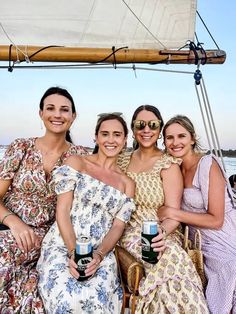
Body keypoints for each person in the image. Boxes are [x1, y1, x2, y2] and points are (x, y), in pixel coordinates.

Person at [37, 113, 136, 313]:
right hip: (63, 243)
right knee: (65, 297)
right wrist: (74, 252)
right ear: (96, 137)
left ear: (125, 139)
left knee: (96, 300)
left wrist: (99, 255)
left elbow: (118, 226)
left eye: (117, 134)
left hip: (101, 250)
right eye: (105, 134)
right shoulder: (77, 163)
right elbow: (62, 211)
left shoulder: (127, 184)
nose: (110, 140)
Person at [0, 86, 87, 313]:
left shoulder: (81, 156)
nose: (57, 114)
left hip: (51, 235)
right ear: (41, 113)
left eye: (64, 110)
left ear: (73, 116)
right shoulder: (21, 147)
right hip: (10, 226)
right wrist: (14, 222)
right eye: (50, 108)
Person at [117, 105, 208, 313]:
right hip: (130, 230)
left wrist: (161, 234)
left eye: (153, 125)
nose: (146, 129)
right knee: (160, 262)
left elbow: (173, 213)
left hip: (162, 230)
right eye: (140, 124)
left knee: (174, 261)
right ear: (133, 129)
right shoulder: (121, 160)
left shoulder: (168, 164)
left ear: (159, 130)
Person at [160, 114, 236, 314]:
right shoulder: (172, 167)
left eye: (181, 136)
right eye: (169, 138)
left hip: (223, 236)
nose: (175, 142)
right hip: (199, 242)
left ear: (192, 138)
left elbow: (217, 219)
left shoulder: (207, 164)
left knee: (230, 274)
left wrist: (173, 213)